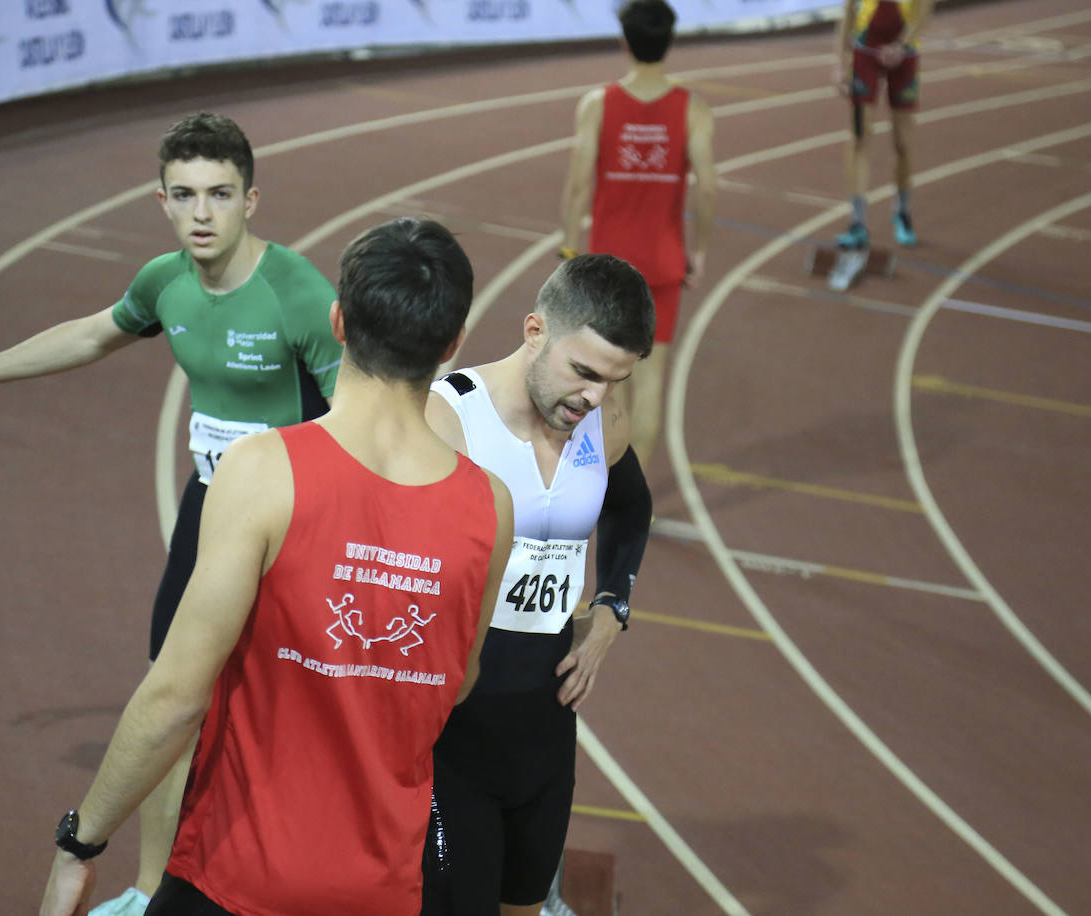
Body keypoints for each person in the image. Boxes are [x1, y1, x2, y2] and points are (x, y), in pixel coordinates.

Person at [0, 112, 344, 915]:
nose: (202, 212)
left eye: (219, 194)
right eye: (184, 195)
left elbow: (361, 420)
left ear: (251, 200)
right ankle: (147, 893)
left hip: (297, 527)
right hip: (212, 513)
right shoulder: (163, 281)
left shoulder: (300, 296)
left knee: (305, 711)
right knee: (172, 700)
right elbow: (94, 334)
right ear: (161, 201)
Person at [40, 216, 514, 916]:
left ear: (338, 322)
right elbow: (459, 680)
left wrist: (80, 845)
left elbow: (175, 697)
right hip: (380, 886)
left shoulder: (264, 470)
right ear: (452, 345)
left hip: (238, 874)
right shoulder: (490, 506)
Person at [422, 254, 655, 915]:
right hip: (450, 732)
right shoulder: (450, 420)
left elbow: (631, 508)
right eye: (583, 372)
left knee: (525, 906)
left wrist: (613, 604)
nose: (594, 397)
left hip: (546, 729)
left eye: (616, 380)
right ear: (534, 332)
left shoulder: (602, 427)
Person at [559, 0, 716, 478]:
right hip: (662, 264)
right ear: (669, 42)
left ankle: (603, 484)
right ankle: (636, 496)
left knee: (608, 383)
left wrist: (569, 250)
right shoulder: (692, 109)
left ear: (624, 41)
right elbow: (707, 186)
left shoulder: (599, 104)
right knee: (650, 384)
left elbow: (578, 184)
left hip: (608, 267)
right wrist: (700, 250)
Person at [833, 0, 935, 250]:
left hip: (905, 56)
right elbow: (847, 12)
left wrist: (902, 45)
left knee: (902, 142)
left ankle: (902, 212)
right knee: (859, 138)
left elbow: (923, 13)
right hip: (864, 53)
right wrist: (839, 62)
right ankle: (857, 222)